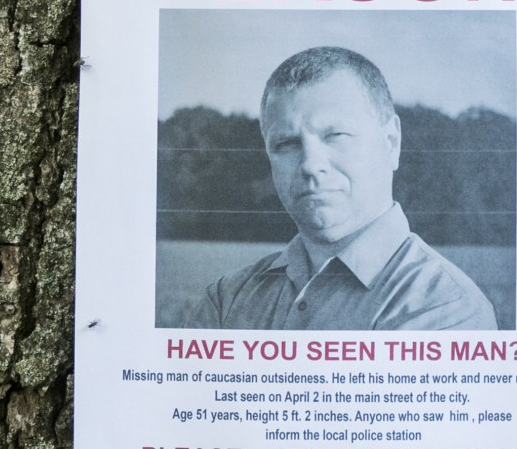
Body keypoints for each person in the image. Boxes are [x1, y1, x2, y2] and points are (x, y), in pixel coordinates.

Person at [190, 45, 496, 330]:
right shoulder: (225, 300)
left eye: (336, 135)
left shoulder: (446, 307)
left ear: (391, 142)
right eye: (286, 143)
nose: (310, 164)